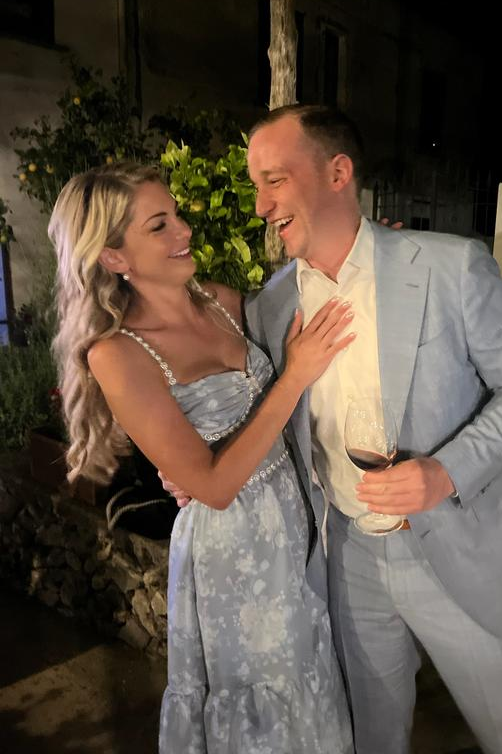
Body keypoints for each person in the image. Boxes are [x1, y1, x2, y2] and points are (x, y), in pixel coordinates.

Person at [240, 105, 502, 754]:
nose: (260, 205)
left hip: (459, 547)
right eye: (256, 186)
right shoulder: (271, 306)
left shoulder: (449, 267)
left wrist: (447, 471)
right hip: (348, 556)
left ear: (338, 173)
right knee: (374, 739)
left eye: (274, 180)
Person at [47, 162, 355, 754]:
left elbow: (313, 284)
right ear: (114, 257)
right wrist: (292, 377)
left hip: (293, 522)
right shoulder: (118, 355)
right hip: (231, 549)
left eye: (176, 215)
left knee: (309, 673)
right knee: (265, 705)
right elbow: (211, 486)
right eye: (159, 225)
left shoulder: (221, 302)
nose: (184, 230)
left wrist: (362, 252)